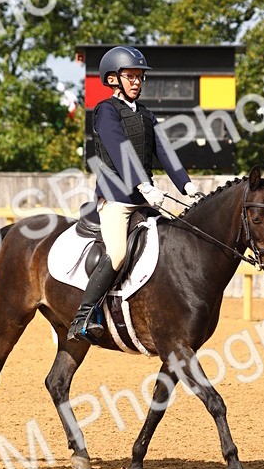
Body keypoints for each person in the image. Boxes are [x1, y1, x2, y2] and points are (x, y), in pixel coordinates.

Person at [68, 45, 199, 343]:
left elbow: (165, 151)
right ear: (113, 79)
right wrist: (144, 187)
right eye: (131, 76)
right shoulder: (105, 111)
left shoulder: (146, 115)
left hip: (145, 198)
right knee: (117, 253)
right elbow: (119, 150)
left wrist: (187, 187)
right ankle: (83, 316)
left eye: (140, 77)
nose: (137, 82)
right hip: (116, 199)